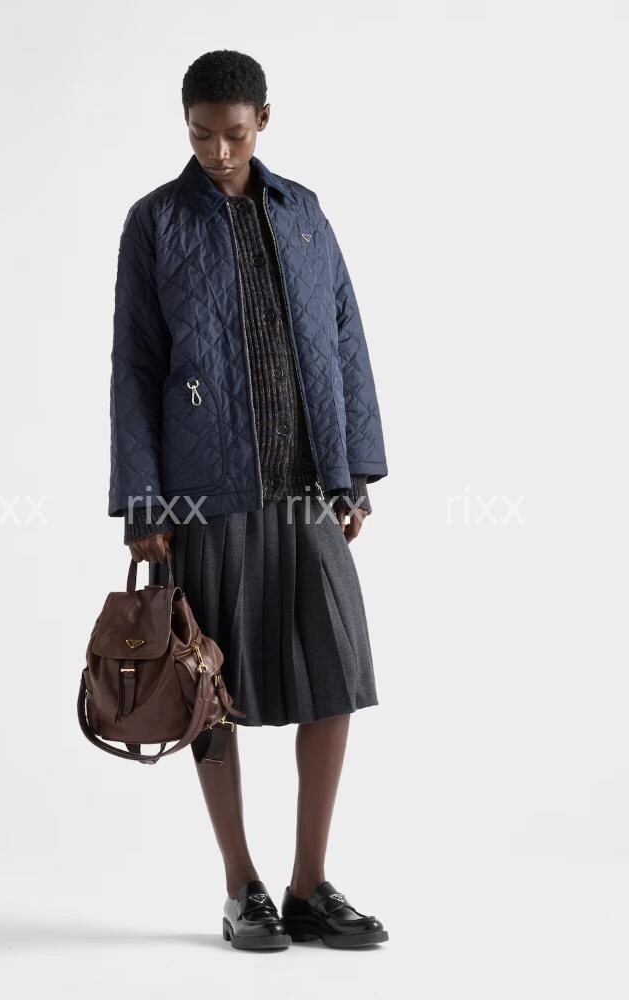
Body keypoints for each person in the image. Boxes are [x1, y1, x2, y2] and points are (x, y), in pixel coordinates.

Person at [108, 49, 389, 950]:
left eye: (233, 134)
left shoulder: (303, 213)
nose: (219, 152)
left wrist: (355, 469)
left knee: (335, 677)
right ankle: (242, 885)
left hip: (307, 485)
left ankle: (309, 884)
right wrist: (143, 503)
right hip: (204, 494)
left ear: (263, 119)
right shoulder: (155, 222)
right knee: (207, 688)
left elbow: (345, 335)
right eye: (201, 136)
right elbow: (135, 367)